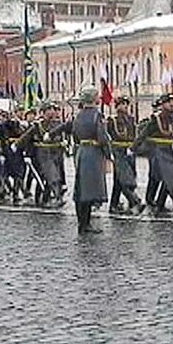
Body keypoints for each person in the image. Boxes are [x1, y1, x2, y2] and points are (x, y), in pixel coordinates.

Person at [62, 85, 111, 234]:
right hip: (93, 153)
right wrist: (108, 154)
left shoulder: (78, 115)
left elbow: (75, 136)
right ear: (94, 98)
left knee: (81, 188)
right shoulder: (97, 115)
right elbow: (102, 138)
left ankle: (82, 223)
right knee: (90, 189)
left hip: (81, 151)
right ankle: (85, 223)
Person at [134, 93, 173, 215]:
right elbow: (144, 134)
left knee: (167, 179)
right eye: (168, 102)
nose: (172, 104)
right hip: (158, 151)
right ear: (163, 104)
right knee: (157, 177)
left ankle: (159, 204)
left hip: (171, 151)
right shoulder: (156, 118)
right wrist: (133, 148)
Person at [107, 96, 143, 215]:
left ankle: (114, 204)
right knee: (123, 178)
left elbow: (134, 135)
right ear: (117, 107)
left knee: (122, 179)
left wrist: (134, 148)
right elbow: (108, 136)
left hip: (129, 151)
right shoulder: (112, 120)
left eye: (126, 104)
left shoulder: (131, 119)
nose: (125, 107)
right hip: (118, 151)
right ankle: (134, 201)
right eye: (122, 104)